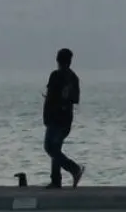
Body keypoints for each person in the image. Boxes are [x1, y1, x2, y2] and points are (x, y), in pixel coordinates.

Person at [41, 48, 83, 189]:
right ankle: (56, 180)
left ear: (57, 60)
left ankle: (74, 169)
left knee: (49, 147)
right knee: (56, 148)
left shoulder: (56, 75)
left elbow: (50, 97)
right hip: (66, 118)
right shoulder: (73, 77)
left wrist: (46, 115)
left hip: (54, 117)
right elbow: (76, 99)